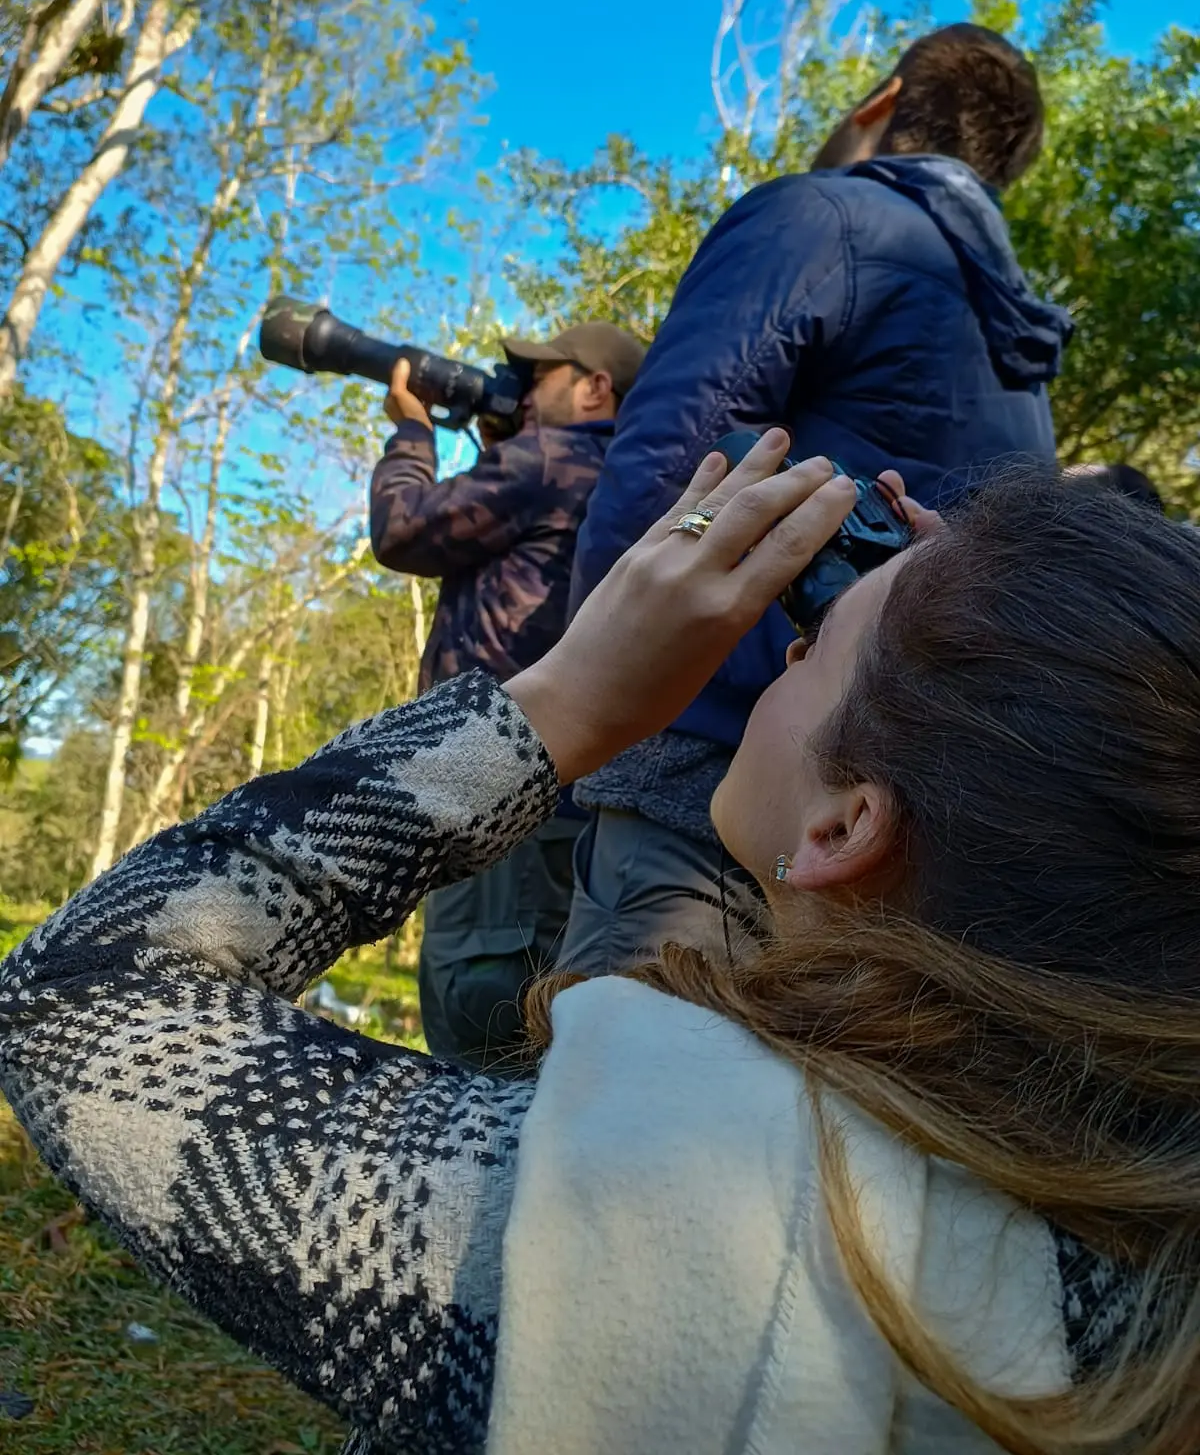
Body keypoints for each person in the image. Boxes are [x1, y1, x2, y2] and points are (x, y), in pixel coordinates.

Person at [5, 433, 1200, 1455]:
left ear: (844, 825)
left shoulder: (670, 1219)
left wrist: (562, 701)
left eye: (815, 650)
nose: (787, 650)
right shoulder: (1143, 1245)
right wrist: (1007, 623)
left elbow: (76, 995)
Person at [562, 21, 1074, 977]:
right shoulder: (1018, 350)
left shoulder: (823, 220)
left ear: (878, 105)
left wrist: (580, 711)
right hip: (894, 830)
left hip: (709, 769)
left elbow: (671, 457)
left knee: (626, 1096)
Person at [369, 321, 644, 1066]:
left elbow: (402, 530)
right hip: (574, 801)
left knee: (480, 1023)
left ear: (594, 388)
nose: (523, 391)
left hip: (494, 788)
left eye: (541, 377)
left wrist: (413, 434)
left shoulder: (549, 458)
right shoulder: (631, 472)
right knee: (545, 1030)